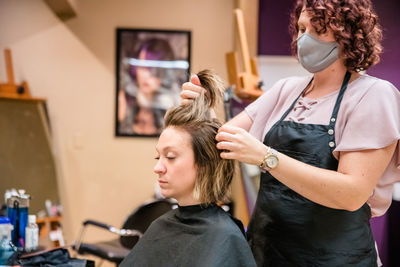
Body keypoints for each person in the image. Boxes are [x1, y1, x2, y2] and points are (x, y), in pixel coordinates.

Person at [181, 0, 400, 266]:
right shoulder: (286, 90)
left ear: (348, 34)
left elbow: (351, 193)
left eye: (317, 29)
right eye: (300, 28)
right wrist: (201, 108)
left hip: (336, 259)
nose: (304, 38)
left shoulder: (372, 95)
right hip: (268, 253)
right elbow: (223, 140)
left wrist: (266, 157)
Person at [119, 70, 257, 267]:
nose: (158, 168)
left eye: (171, 157)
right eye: (159, 157)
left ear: (204, 164)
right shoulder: (161, 226)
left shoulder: (225, 237)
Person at [118, 37, 181, 134]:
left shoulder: (175, 107)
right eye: (142, 68)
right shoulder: (125, 100)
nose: (146, 75)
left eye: (153, 69)